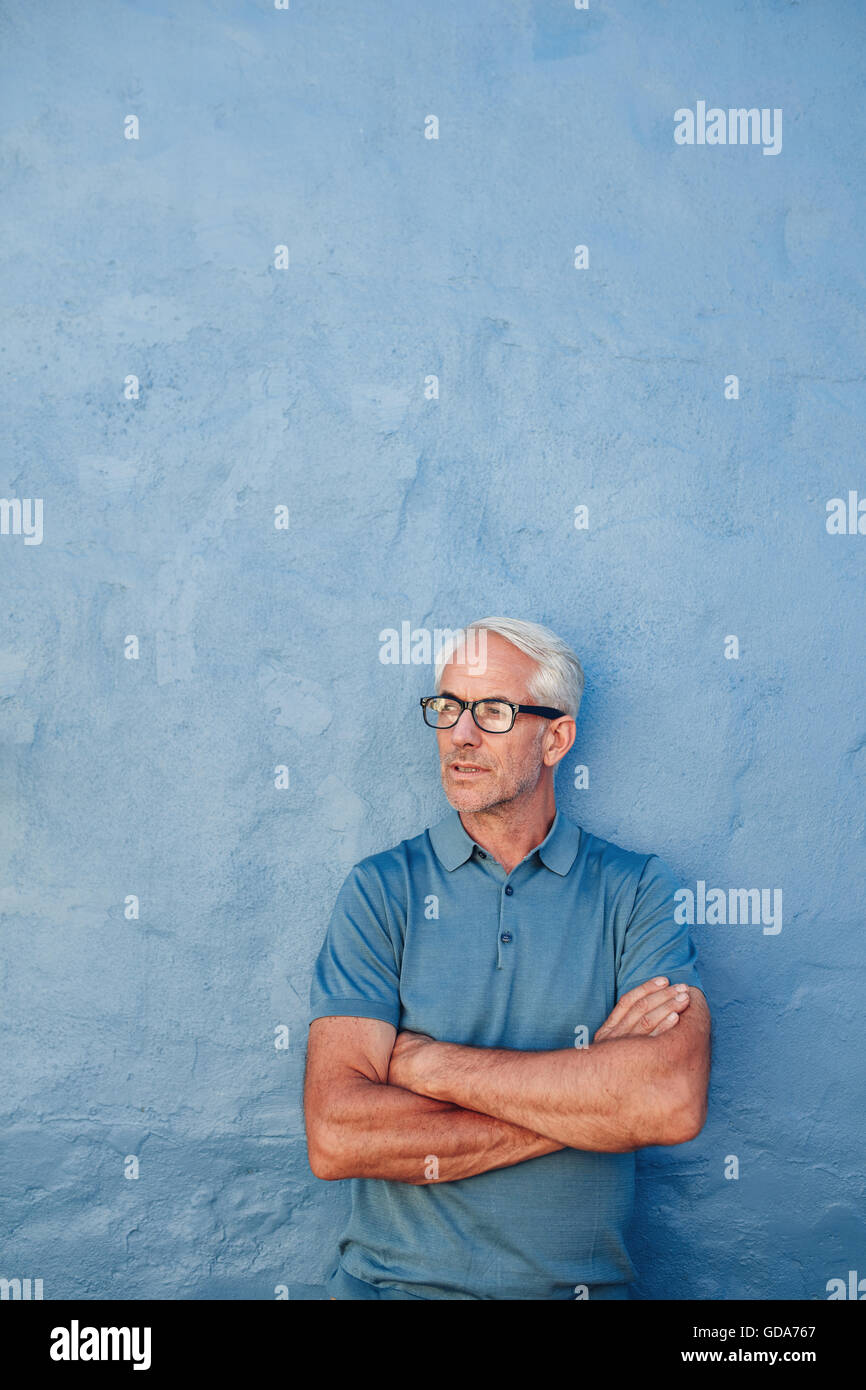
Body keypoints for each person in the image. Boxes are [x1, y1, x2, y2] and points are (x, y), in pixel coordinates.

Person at [304, 617, 711, 1300]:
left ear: (556, 737)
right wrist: (590, 1100)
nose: (460, 735)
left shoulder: (636, 889)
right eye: (447, 708)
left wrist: (425, 1063)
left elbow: (667, 1101)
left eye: (493, 711)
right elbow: (338, 1136)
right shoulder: (381, 889)